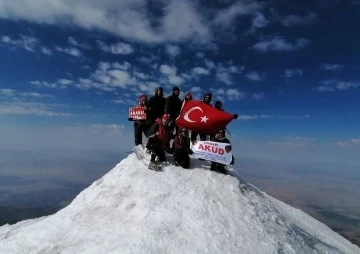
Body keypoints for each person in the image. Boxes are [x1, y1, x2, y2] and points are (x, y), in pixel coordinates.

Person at [164, 86, 182, 153]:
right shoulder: (169, 98)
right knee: (169, 133)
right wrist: (168, 118)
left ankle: (174, 146)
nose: (177, 92)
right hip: (170, 119)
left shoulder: (179, 101)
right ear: (173, 91)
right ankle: (167, 146)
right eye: (175, 90)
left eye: (178, 91)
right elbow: (167, 108)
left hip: (177, 119)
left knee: (177, 133)